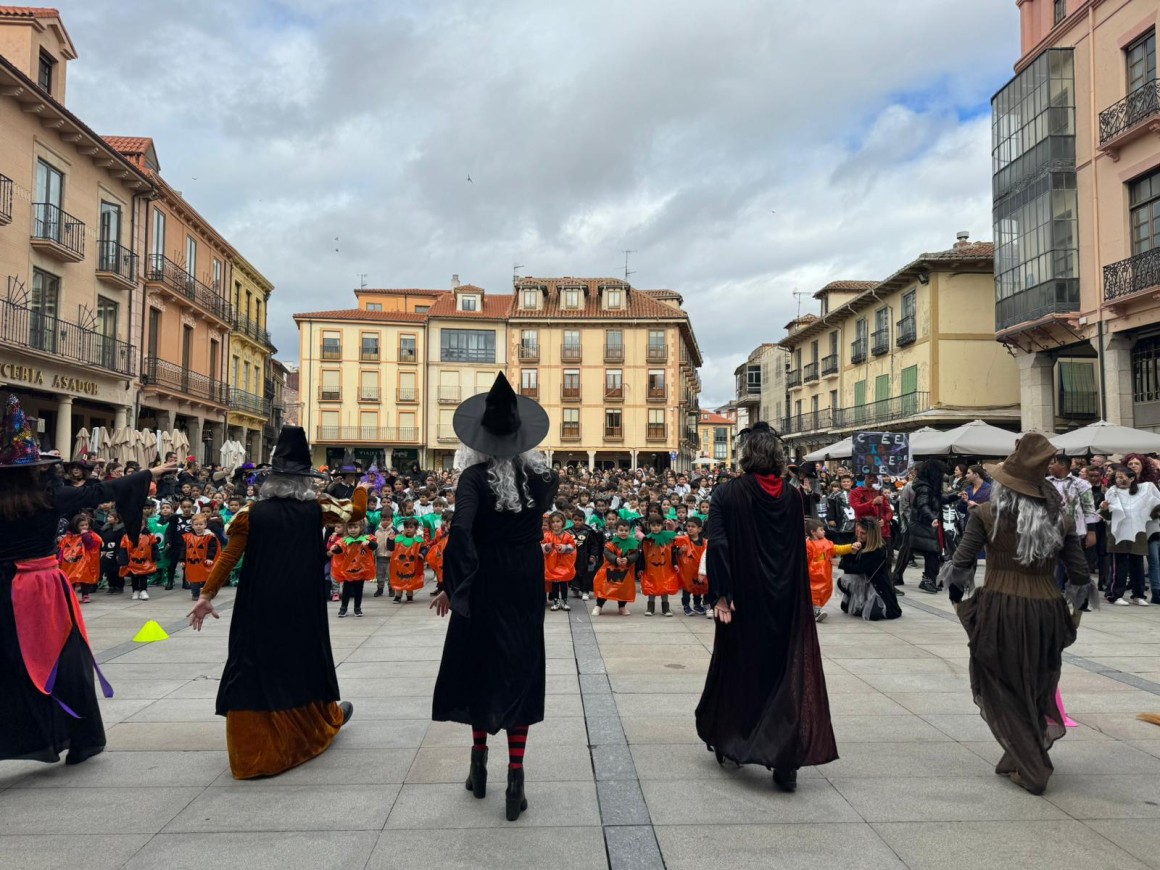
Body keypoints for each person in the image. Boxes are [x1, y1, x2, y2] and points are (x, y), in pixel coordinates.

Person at [0, 394, 172, 766]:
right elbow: (101, 492)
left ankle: (21, 739)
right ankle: (82, 738)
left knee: (9, 664)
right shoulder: (50, 498)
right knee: (66, 662)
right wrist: (147, 475)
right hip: (43, 589)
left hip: (4, 590)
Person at [187, 426, 362, 780]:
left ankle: (251, 752)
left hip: (259, 603)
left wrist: (207, 595)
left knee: (254, 665)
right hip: (302, 603)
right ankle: (315, 723)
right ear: (304, 481)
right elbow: (356, 511)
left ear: (271, 479)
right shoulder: (318, 508)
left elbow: (228, 557)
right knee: (304, 660)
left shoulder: (250, 513)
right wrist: (360, 483)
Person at [431, 373, 556, 822]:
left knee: (481, 666)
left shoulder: (472, 479)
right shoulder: (544, 480)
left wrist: (454, 584)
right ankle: (516, 777)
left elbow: (460, 531)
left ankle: (478, 765)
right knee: (519, 668)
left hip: (485, 580)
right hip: (524, 578)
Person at [943, 433, 1095, 794]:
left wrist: (956, 594)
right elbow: (1079, 575)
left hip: (1001, 608)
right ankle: (1018, 752)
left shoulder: (985, 514)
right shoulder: (1061, 519)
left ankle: (1032, 767)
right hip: (1047, 609)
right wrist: (1076, 603)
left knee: (999, 682)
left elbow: (962, 563)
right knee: (1038, 682)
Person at [694, 422, 838, 793]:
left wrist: (722, 595)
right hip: (785, 598)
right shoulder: (793, 497)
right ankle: (785, 762)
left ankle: (735, 739)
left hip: (743, 598)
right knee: (782, 672)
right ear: (776, 456)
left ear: (745, 455)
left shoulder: (726, 493)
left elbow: (719, 545)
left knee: (740, 668)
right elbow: (793, 548)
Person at [1099, 465, 1160, 607]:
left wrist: (1155, 513)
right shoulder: (1112, 492)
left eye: (1122, 477)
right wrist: (1105, 509)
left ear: (1132, 479)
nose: (1118, 480)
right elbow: (1107, 515)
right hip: (1118, 533)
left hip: (1137, 532)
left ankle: (1138, 594)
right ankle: (1115, 594)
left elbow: (1154, 506)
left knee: (1137, 564)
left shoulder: (1143, 491)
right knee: (1119, 565)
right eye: (1117, 477)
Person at [835, 518, 900, 620]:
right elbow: (849, 568)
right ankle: (858, 601)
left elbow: (861, 568)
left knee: (874, 615)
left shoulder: (879, 549)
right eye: (858, 532)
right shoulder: (856, 540)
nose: (859, 535)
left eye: (863, 533)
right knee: (844, 590)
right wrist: (851, 552)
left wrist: (841, 564)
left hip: (875, 584)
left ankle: (866, 603)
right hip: (861, 581)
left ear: (872, 535)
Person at [806, 517, 857, 622]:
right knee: (814, 591)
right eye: (821, 529)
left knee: (825, 590)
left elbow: (836, 549)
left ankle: (814, 609)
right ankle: (816, 611)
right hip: (813, 573)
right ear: (813, 532)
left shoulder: (826, 542)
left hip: (825, 573)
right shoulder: (808, 545)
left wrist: (849, 547)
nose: (824, 531)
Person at [913, 460, 951, 595]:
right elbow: (923, 505)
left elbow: (938, 500)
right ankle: (927, 580)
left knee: (934, 554)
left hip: (932, 524)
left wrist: (955, 496)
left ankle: (930, 580)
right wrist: (932, 518)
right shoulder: (925, 487)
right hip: (928, 525)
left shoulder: (929, 486)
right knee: (932, 554)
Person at [592, 519, 639, 615]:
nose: (623, 533)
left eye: (626, 531)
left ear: (630, 531)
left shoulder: (633, 543)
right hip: (610, 569)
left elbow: (636, 554)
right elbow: (607, 552)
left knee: (623, 590)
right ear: (616, 530)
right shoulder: (612, 542)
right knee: (604, 587)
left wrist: (628, 559)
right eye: (621, 530)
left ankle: (622, 607)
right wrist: (615, 559)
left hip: (625, 572)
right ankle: (598, 606)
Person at [331, 519, 376, 617]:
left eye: (355, 527)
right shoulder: (344, 541)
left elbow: (374, 546)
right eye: (350, 527)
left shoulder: (366, 539)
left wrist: (368, 543)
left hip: (361, 570)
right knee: (346, 591)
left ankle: (357, 608)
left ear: (361, 528)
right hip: (348, 571)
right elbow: (339, 550)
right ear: (347, 529)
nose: (353, 530)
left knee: (358, 591)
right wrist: (334, 548)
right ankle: (343, 608)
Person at [640, 513, 680, 616]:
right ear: (649, 526)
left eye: (658, 525)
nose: (656, 528)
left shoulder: (668, 538)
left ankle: (665, 608)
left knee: (665, 586)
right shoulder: (647, 540)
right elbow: (642, 554)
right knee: (651, 586)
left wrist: (675, 563)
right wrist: (640, 568)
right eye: (653, 525)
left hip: (665, 568)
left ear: (662, 526)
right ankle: (650, 607)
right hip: (651, 568)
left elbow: (672, 552)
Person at [58, 514, 102, 604]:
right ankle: (71, 595)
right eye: (82, 525)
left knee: (84, 579)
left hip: (83, 561)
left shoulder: (90, 535)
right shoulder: (68, 537)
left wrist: (85, 535)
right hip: (70, 563)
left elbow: (90, 545)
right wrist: (60, 559)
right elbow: (63, 548)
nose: (84, 527)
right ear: (76, 526)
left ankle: (85, 594)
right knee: (70, 579)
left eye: (86, 525)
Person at [177, 513, 220, 602]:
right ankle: (195, 594)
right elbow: (183, 549)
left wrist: (210, 558)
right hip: (192, 562)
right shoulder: (188, 537)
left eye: (201, 524)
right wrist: (182, 559)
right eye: (196, 525)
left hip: (205, 561)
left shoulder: (209, 537)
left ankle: (208, 592)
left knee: (208, 577)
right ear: (192, 526)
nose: (198, 527)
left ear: (205, 525)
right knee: (194, 579)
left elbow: (213, 548)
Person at [543, 511, 576, 612]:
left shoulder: (567, 535)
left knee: (564, 583)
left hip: (564, 564)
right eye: (553, 522)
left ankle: (565, 601)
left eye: (558, 521)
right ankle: (556, 601)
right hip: (552, 564)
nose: (555, 524)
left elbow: (573, 546)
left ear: (563, 522)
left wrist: (565, 548)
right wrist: (546, 547)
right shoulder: (547, 535)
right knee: (555, 583)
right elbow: (541, 546)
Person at [675, 516, 709, 616]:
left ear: (699, 529)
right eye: (688, 526)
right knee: (687, 588)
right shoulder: (683, 540)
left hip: (698, 568)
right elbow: (675, 553)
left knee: (698, 588)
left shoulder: (705, 542)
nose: (690, 528)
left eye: (693, 526)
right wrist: (681, 550)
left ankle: (697, 604)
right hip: (687, 569)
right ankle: (686, 605)